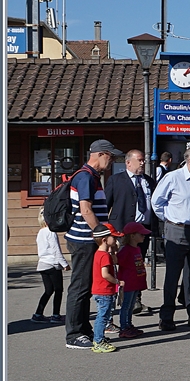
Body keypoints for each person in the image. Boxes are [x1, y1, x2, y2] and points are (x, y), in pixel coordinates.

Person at [63, 139, 123, 350]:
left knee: (87, 286)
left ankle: (84, 328)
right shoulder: (86, 177)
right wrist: (104, 237)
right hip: (83, 240)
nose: (112, 160)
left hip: (87, 240)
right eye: (111, 156)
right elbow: (86, 210)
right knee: (80, 287)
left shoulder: (91, 177)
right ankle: (73, 334)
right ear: (100, 154)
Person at [151, 145, 190, 331]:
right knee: (172, 275)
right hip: (177, 231)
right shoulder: (172, 178)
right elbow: (157, 202)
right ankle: (167, 317)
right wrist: (170, 220)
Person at [90, 222, 124, 354]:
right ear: (105, 240)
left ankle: (100, 338)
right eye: (114, 238)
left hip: (101, 291)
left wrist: (114, 250)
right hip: (104, 291)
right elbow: (105, 274)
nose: (116, 240)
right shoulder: (104, 256)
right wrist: (117, 282)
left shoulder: (100, 253)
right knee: (103, 317)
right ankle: (98, 341)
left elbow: (115, 261)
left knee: (103, 315)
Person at [33, 209, 69, 323]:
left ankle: (38, 313)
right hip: (52, 264)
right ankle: (56, 315)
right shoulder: (51, 232)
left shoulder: (40, 232)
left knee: (48, 290)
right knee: (58, 289)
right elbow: (56, 250)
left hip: (42, 264)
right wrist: (64, 264)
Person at [116, 222, 151, 339]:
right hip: (127, 283)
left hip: (135, 282)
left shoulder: (137, 249)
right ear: (132, 236)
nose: (143, 236)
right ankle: (124, 328)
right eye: (141, 234)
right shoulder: (126, 250)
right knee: (126, 306)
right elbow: (117, 261)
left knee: (131, 306)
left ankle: (129, 325)